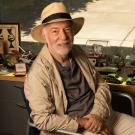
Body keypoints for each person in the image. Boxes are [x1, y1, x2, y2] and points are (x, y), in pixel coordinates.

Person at [24, 2, 135, 135]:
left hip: (101, 115)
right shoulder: (38, 73)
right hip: (72, 129)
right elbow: (43, 120)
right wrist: (85, 122)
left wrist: (97, 115)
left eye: (67, 29)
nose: (63, 37)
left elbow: (101, 85)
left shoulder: (77, 52)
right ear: (44, 36)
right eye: (55, 31)